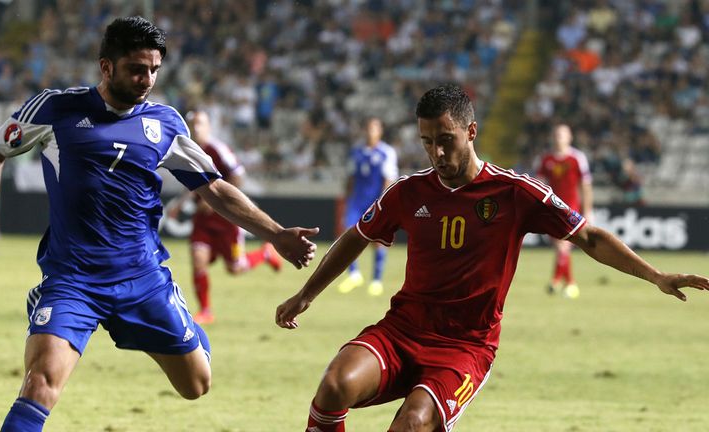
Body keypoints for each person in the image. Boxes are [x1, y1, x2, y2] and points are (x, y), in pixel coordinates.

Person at [275, 84, 708, 432]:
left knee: (413, 423)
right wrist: (306, 294)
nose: (437, 154)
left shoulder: (515, 192)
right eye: (427, 143)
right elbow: (357, 236)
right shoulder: (409, 192)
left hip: (464, 348)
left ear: (471, 132)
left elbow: (589, 236)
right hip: (402, 329)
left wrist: (655, 275)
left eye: (445, 141)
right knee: (333, 386)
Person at [0, 17, 318, 432]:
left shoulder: (165, 125)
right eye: (136, 68)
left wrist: (276, 234)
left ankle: (180, 319)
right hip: (72, 280)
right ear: (106, 67)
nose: (147, 79)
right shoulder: (56, 109)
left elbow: (215, 189)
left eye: (154, 70)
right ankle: (48, 306)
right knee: (40, 383)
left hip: (143, 279)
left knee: (196, 385)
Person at [173, 109, 282, 324]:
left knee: (235, 267)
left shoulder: (218, 149)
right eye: (193, 124)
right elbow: (192, 183)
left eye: (200, 123)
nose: (196, 128)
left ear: (209, 126)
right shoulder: (189, 149)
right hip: (202, 220)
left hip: (226, 219)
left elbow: (237, 175)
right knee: (198, 260)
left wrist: (217, 201)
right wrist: (180, 204)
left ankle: (265, 254)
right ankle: (206, 311)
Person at [337, 117, 398, 296]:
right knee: (348, 236)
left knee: (378, 240)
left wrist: (384, 203)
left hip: (375, 202)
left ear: (380, 131)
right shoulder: (356, 152)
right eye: (368, 128)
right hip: (356, 202)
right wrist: (346, 200)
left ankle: (376, 280)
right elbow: (350, 178)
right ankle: (354, 274)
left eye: (374, 128)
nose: (370, 131)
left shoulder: (387, 152)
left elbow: (389, 179)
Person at [535, 123, 593, 298]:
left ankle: (558, 281)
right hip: (552, 209)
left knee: (563, 246)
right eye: (556, 134)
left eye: (562, 134)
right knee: (561, 247)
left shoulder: (577, 158)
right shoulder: (546, 159)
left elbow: (586, 186)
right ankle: (567, 283)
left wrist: (587, 210)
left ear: (570, 137)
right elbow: (538, 184)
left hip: (571, 208)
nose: (559, 138)